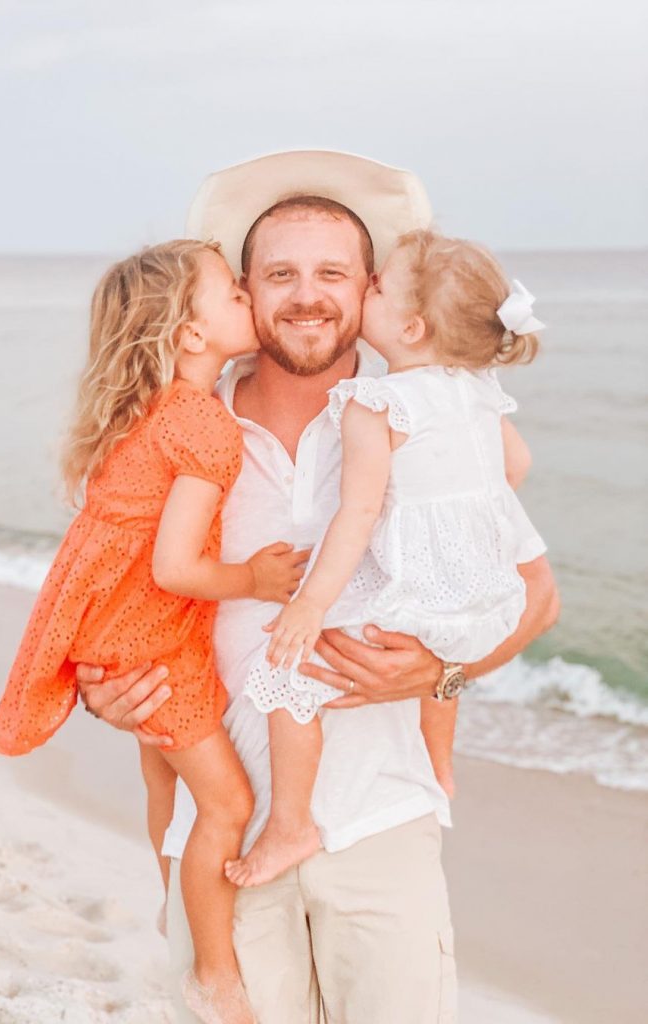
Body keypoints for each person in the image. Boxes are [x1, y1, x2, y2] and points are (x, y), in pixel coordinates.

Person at [77, 151, 560, 1023]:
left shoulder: (425, 418)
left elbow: (533, 596)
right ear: (243, 292)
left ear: (372, 290)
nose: (307, 295)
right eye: (280, 274)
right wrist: (104, 690)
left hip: (379, 818)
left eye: (332, 273)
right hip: (220, 832)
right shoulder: (181, 430)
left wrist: (441, 674)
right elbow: (108, 594)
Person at [0, 239, 308, 1024]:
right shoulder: (204, 426)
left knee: (164, 781)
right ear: (190, 335)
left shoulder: (148, 414)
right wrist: (254, 581)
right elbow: (174, 567)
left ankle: (174, 900)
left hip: (119, 631)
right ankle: (214, 970)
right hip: (153, 641)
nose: (246, 294)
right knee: (228, 806)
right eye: (232, 294)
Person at [227, 228, 547, 888]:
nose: (365, 291)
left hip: (415, 584)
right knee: (434, 660)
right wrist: (451, 514)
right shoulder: (476, 389)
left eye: (373, 285)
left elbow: (357, 515)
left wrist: (309, 606)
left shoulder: (375, 403)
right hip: (483, 592)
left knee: (287, 676)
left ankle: (290, 823)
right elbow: (516, 465)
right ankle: (437, 766)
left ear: (408, 323)